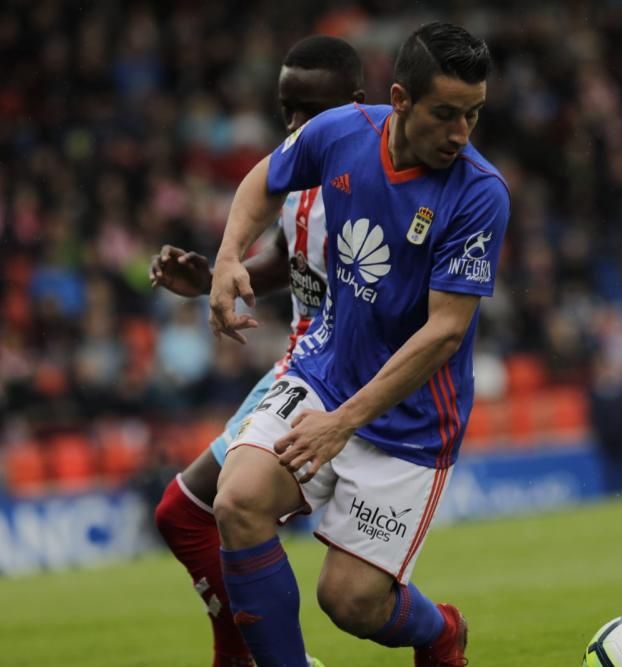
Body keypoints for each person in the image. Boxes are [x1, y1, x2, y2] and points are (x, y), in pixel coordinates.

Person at [208, 21, 508, 667]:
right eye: (446, 114)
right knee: (236, 500)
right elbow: (266, 177)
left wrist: (342, 424)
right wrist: (229, 254)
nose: (460, 133)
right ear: (398, 100)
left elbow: (445, 332)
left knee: (349, 601)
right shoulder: (342, 131)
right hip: (328, 369)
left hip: (414, 420)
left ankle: (440, 633)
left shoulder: (480, 195)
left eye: (474, 115)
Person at [151, 35, 365, 667]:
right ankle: (247, 656)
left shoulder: (372, 187)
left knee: (201, 513)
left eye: (311, 111)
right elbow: (289, 260)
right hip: (296, 365)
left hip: (336, 380)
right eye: (285, 109)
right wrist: (220, 273)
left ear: (356, 106)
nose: (295, 126)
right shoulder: (295, 177)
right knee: (182, 513)